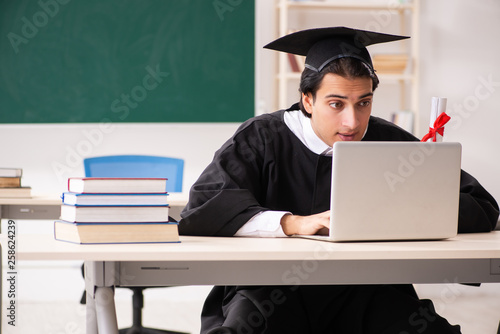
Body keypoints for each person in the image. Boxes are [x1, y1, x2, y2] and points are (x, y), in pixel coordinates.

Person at [178, 27, 499, 334]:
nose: (353, 121)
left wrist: (406, 212)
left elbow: (481, 205)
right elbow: (203, 208)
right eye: (336, 104)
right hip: (270, 288)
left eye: (364, 102)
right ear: (307, 99)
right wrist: (291, 224)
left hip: (366, 288)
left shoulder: (388, 140)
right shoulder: (261, 138)